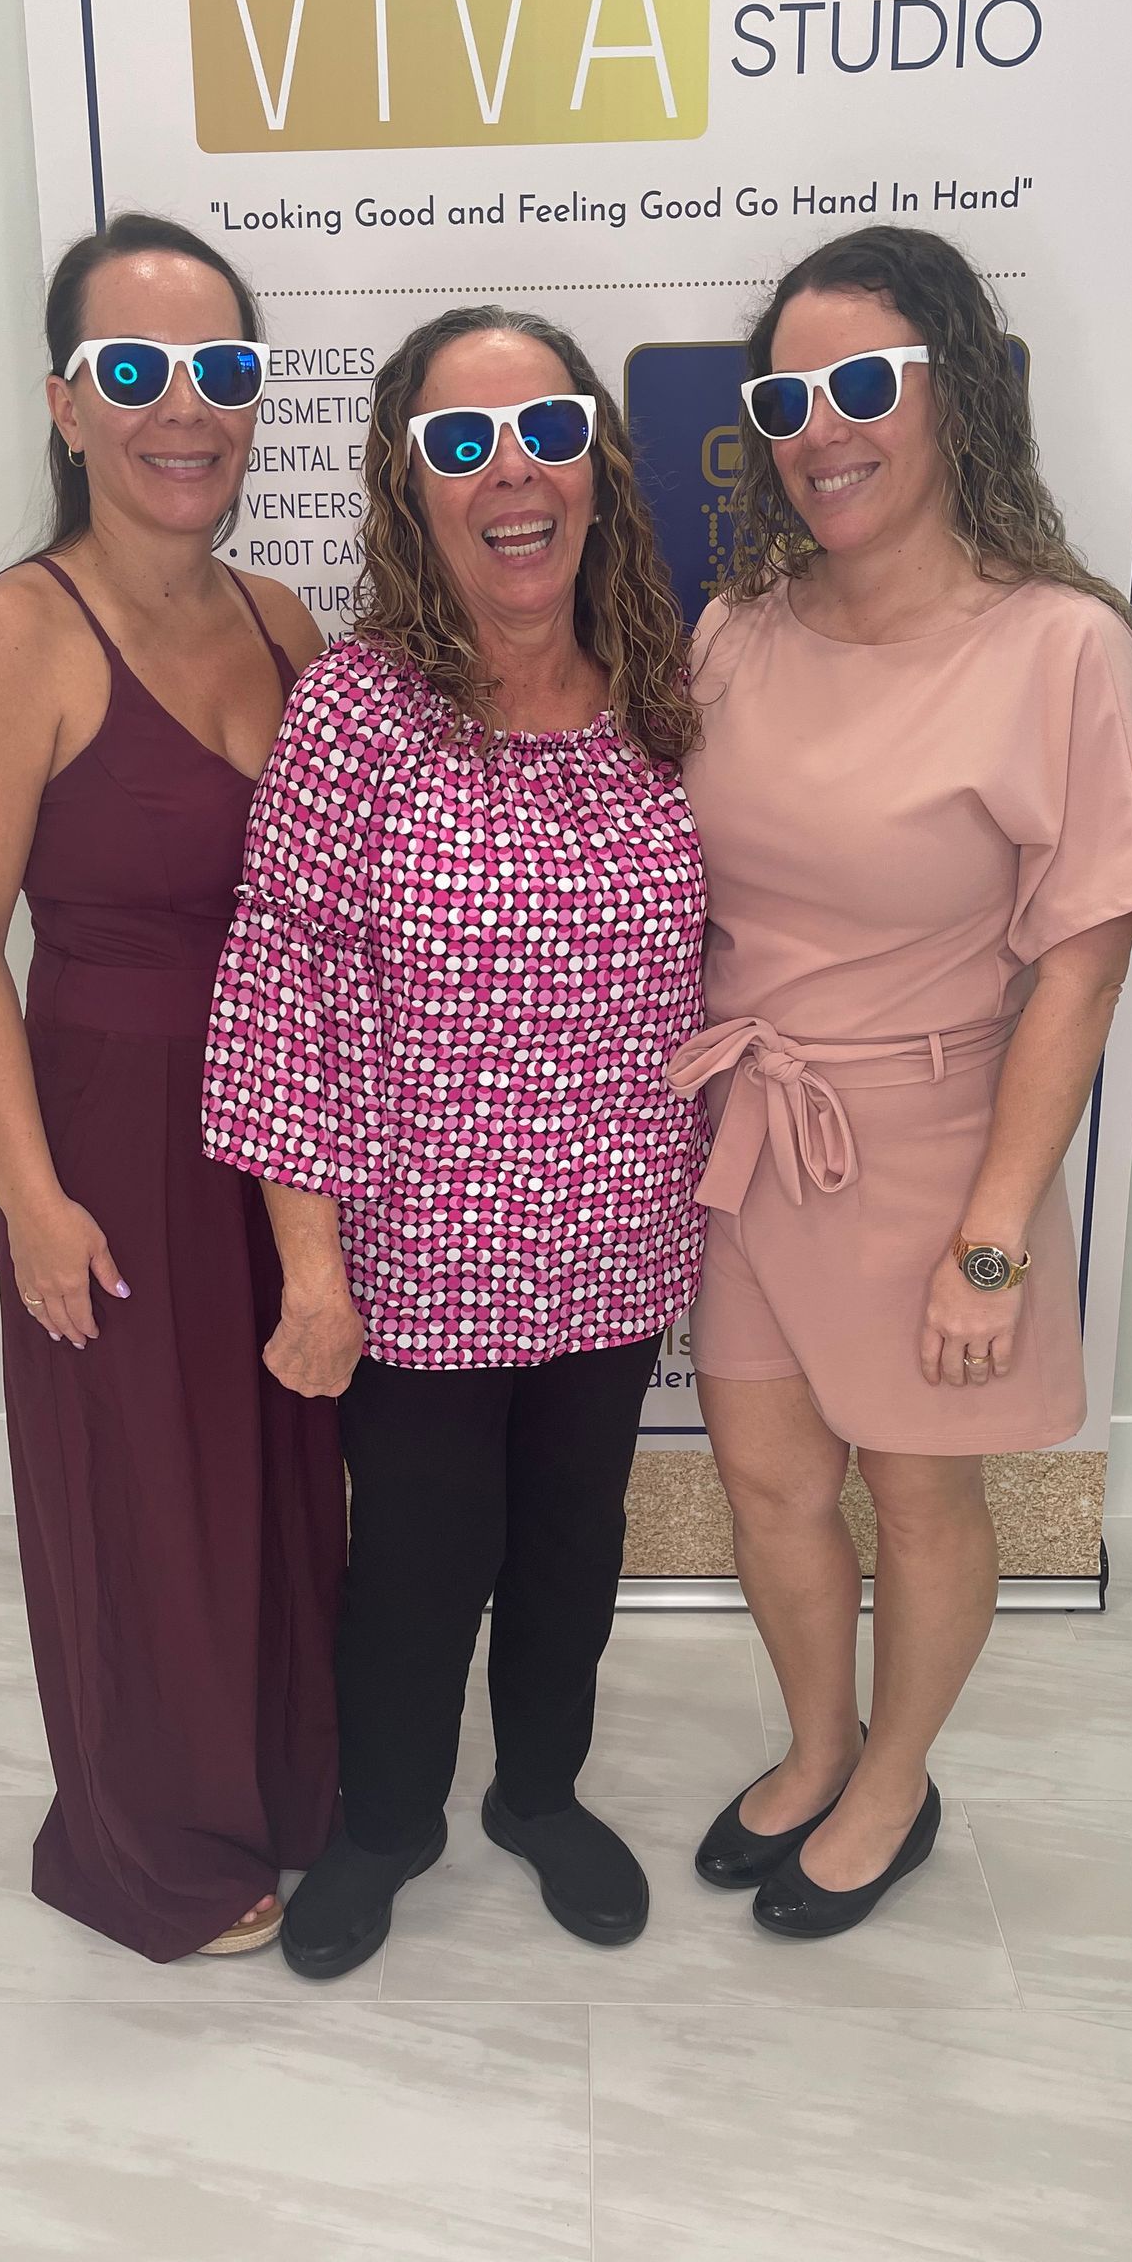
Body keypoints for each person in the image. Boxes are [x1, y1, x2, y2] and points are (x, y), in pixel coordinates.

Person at [673, 225, 1132, 1938]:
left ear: (954, 390)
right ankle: (817, 1746)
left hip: (938, 1151)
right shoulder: (735, 632)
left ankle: (895, 1779)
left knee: (918, 1489)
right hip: (754, 1137)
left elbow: (1082, 964)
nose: (821, 429)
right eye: (786, 399)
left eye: (864, 384)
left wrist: (993, 1238)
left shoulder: (1060, 650)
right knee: (768, 1481)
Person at [202, 305, 707, 1979]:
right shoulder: (357, 714)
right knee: (420, 1566)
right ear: (406, 482)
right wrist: (312, 1271)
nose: (513, 473)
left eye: (547, 432)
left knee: (573, 1549)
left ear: (596, 465)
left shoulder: (664, 693)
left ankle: (539, 1796)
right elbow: (281, 997)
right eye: (461, 441)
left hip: (617, 1245)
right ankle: (387, 1824)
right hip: (416, 1262)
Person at [0, 213, 344, 1962]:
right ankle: (152, 1844)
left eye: (222, 369)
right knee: (142, 1495)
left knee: (280, 1473)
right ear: (67, 405)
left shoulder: (285, 619)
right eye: (136, 369)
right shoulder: (14, 635)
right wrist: (30, 1194)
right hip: (110, 1129)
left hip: (283, 1134)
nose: (187, 406)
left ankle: (289, 1788)